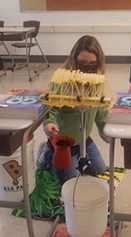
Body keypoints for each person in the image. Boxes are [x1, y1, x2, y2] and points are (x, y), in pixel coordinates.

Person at [41, 35, 108, 182]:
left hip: (84, 139)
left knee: (101, 170)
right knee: (71, 182)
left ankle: (65, 158)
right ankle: (47, 155)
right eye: (82, 63)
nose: (87, 68)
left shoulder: (98, 83)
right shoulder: (61, 81)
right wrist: (50, 124)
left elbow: (101, 112)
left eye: (92, 63)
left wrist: (108, 134)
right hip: (64, 142)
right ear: (74, 59)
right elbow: (51, 109)